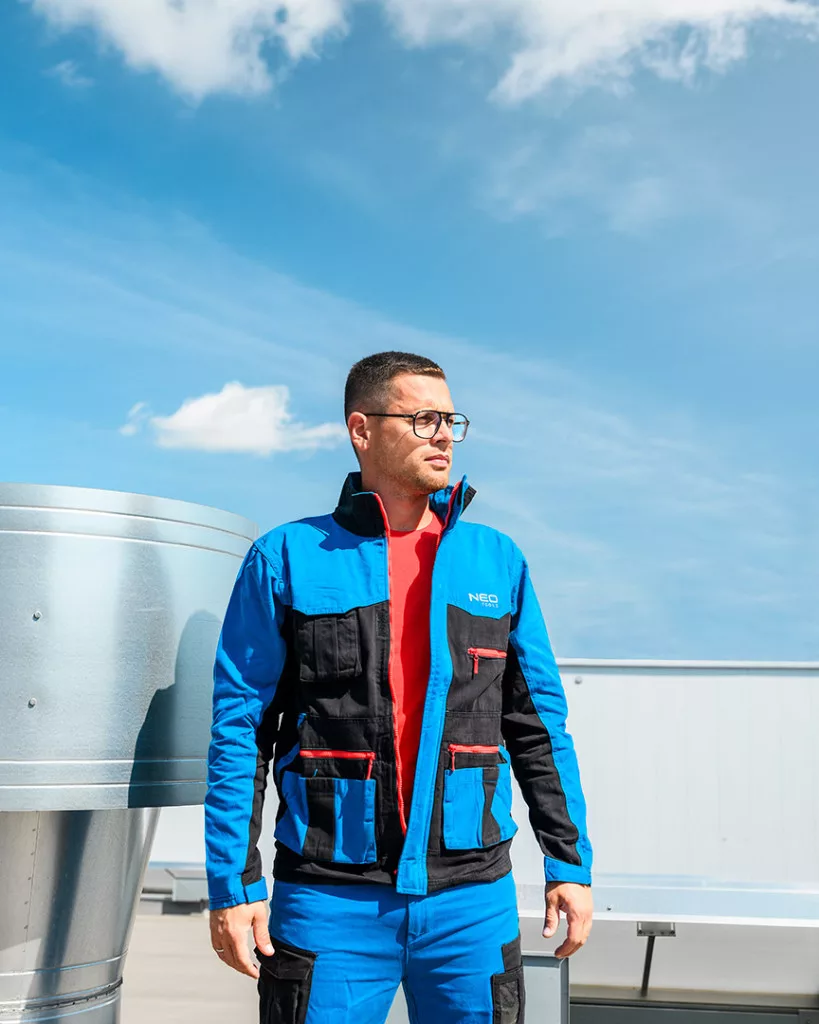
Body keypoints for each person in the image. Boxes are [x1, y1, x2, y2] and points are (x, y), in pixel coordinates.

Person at [205, 351, 593, 1023]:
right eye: (423, 419)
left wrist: (569, 862)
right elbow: (240, 728)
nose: (444, 435)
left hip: (471, 902)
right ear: (362, 430)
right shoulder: (287, 557)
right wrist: (233, 883)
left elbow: (537, 727)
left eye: (451, 420)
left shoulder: (496, 561)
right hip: (327, 900)